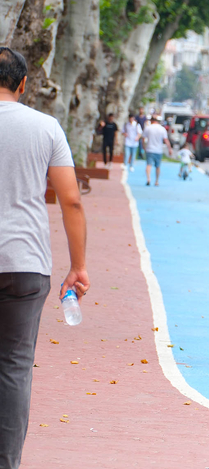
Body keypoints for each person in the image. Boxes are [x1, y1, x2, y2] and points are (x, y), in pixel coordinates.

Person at [0, 46, 90, 469]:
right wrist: (78, 266)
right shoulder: (46, 127)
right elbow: (70, 201)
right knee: (14, 368)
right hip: (25, 264)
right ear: (23, 85)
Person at [141, 116, 173, 186]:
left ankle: (148, 179)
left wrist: (143, 147)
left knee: (148, 165)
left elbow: (143, 138)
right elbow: (166, 140)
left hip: (149, 149)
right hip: (158, 150)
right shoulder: (162, 129)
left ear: (152, 120)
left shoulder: (148, 128)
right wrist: (169, 149)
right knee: (157, 166)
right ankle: (157, 181)